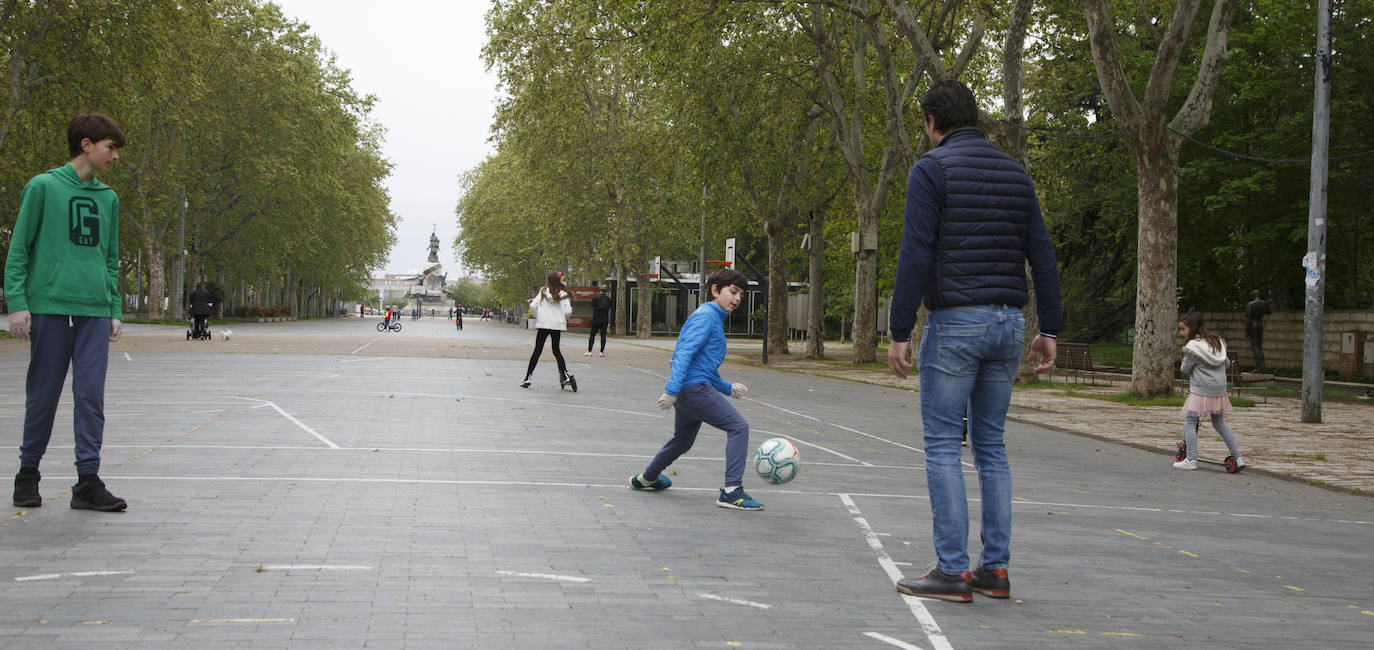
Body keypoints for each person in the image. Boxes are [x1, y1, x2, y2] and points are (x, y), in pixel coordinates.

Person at [886, 81, 1061, 602]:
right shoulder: (1016, 173)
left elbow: (915, 251)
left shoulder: (932, 168)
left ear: (933, 121)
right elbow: (1043, 255)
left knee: (942, 444)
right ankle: (995, 570)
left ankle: (952, 570)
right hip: (1011, 325)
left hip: (957, 323)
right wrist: (1048, 327)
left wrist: (898, 330)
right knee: (991, 447)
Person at [6, 112, 128, 511]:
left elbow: (109, 258)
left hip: (93, 311)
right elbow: (19, 249)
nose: (115, 157)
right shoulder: (42, 187)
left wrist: (114, 307)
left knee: (90, 395)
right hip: (50, 308)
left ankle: (87, 482)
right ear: (87, 145)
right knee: (43, 394)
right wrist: (18, 304)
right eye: (111, 149)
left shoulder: (108, 198)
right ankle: (28, 474)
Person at [629, 268, 761, 511]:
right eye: (733, 291)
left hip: (692, 389)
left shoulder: (713, 317)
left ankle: (646, 478)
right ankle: (732, 491)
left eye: (741, 294)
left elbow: (706, 368)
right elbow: (683, 355)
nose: (738, 298)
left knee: (683, 440)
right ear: (715, 290)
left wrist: (727, 387)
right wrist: (672, 390)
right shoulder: (706, 316)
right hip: (692, 390)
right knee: (738, 427)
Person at [1174, 312, 1246, 472]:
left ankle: (1191, 459)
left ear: (1191, 328)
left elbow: (1185, 369)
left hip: (1201, 389)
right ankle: (1238, 457)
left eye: (1183, 329)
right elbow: (1226, 363)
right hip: (1219, 390)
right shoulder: (1216, 342)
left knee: (1191, 422)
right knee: (1219, 423)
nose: (1181, 333)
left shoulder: (1193, 347)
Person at [521, 273, 575, 390]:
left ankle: (528, 377)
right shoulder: (564, 293)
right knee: (556, 351)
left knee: (537, 351)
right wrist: (562, 319)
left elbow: (533, 306)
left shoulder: (543, 291)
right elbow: (567, 312)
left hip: (543, 324)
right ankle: (565, 375)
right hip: (556, 325)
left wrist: (539, 317)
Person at [1244, 290, 1271, 373]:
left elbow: (1248, 318)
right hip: (1260, 324)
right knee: (1259, 346)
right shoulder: (1263, 303)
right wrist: (1265, 305)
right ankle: (1261, 367)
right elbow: (1269, 312)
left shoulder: (1250, 304)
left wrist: (1247, 331)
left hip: (1253, 325)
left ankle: (1258, 368)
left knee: (1255, 347)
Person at [586, 284, 612, 357]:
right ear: (606, 291)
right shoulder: (608, 299)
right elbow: (610, 306)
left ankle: (590, 351)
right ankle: (601, 352)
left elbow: (592, 305)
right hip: (605, 320)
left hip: (596, 319)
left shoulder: (595, 298)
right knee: (603, 335)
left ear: (600, 290)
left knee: (592, 335)